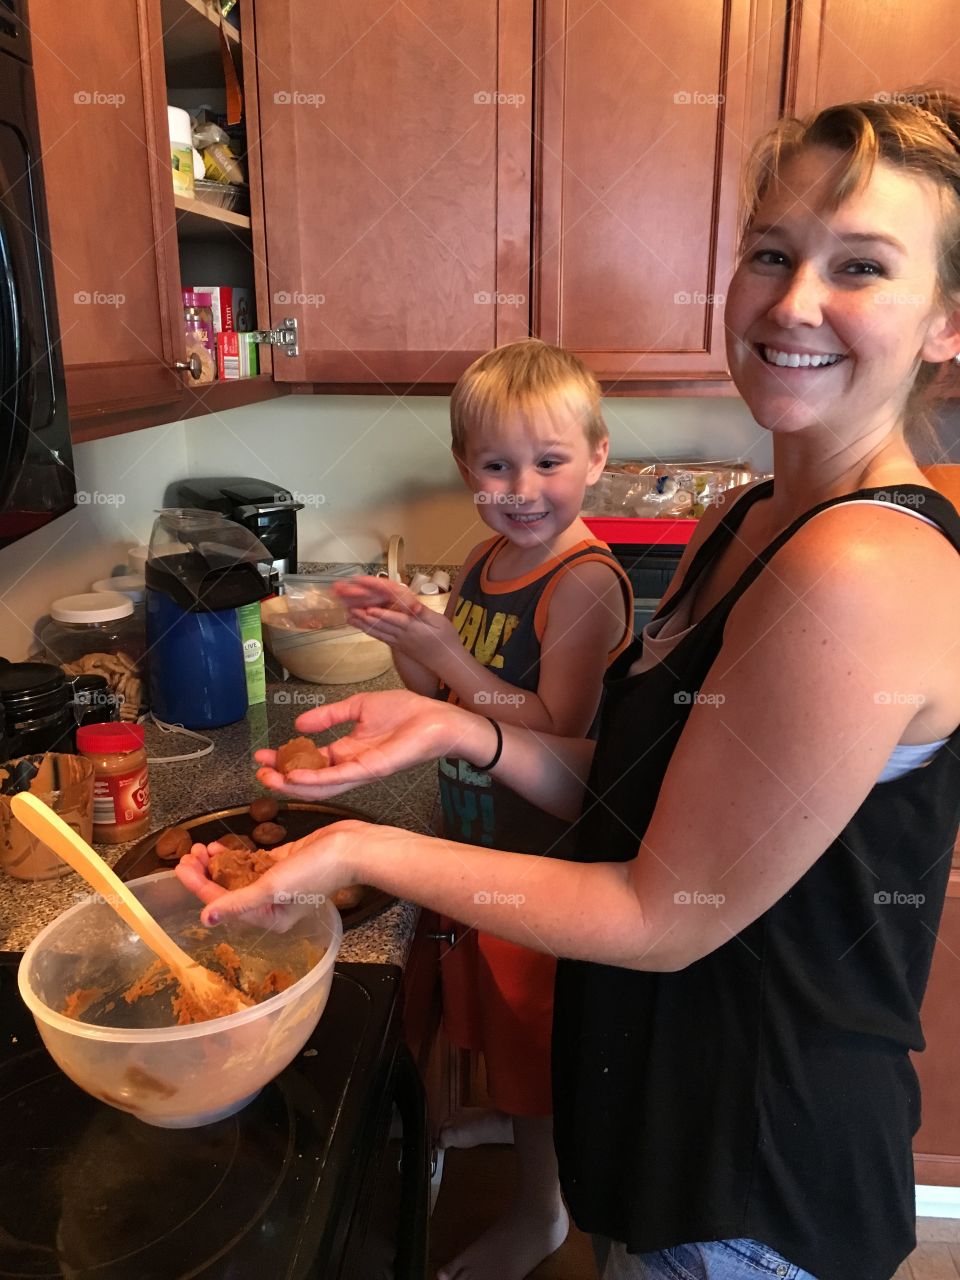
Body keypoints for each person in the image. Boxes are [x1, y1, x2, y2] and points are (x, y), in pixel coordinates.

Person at [180, 91, 960, 1280]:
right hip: (658, 1124)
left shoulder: (865, 565)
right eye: (770, 251)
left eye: (861, 265)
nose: (795, 301)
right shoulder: (743, 522)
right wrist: (454, 719)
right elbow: (649, 797)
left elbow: (661, 909)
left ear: (947, 321)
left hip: (749, 1180)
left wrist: (360, 855)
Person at [325, 338, 633, 1279]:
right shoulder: (489, 561)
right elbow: (440, 695)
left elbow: (551, 729)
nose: (522, 488)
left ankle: (541, 1213)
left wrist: (453, 664)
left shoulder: (581, 581)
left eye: (548, 462)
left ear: (598, 457)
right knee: (501, 1027)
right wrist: (410, 633)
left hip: (544, 867)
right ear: (467, 469)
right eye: (496, 466)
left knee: (535, 1049)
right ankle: (510, 1125)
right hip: (481, 843)